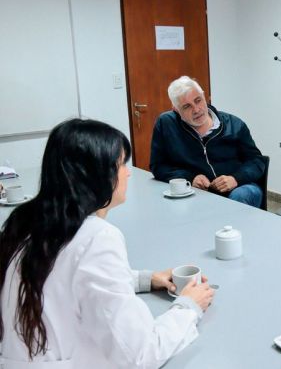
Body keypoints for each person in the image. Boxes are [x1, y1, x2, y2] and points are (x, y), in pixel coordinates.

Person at [0, 119, 214, 367]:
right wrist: (188, 307)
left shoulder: (26, 220)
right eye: (122, 163)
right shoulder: (97, 238)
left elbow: (62, 277)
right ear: (98, 175)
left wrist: (144, 279)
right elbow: (140, 354)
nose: (129, 172)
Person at [150, 76, 265, 208]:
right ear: (176, 110)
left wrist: (235, 179)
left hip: (240, 187)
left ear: (206, 97)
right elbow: (158, 166)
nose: (196, 110)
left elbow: (257, 161)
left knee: (239, 197)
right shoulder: (166, 124)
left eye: (198, 100)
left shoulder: (235, 125)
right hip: (196, 191)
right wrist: (190, 178)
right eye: (187, 106)